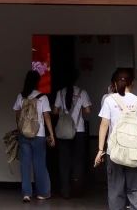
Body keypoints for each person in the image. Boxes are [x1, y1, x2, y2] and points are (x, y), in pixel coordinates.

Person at [94, 67, 137, 210]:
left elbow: (104, 125)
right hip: (135, 153)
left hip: (114, 153)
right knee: (136, 191)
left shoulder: (109, 100)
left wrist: (100, 150)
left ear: (114, 84)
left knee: (115, 192)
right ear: (131, 83)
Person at [13, 69, 54, 202]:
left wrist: (20, 129)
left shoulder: (21, 96)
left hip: (24, 134)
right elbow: (47, 116)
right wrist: (51, 134)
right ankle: (42, 193)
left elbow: (17, 114)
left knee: (25, 164)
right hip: (39, 134)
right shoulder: (42, 97)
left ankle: (26, 193)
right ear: (37, 82)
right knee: (39, 164)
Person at [52, 68, 92, 199]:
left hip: (64, 132)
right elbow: (88, 111)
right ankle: (77, 189)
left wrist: (63, 111)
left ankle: (65, 190)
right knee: (78, 161)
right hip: (78, 131)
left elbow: (55, 111)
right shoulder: (82, 92)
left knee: (64, 161)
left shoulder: (60, 93)